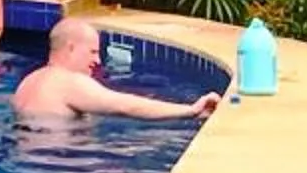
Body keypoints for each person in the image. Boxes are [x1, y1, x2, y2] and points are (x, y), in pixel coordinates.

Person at [14, 18, 221, 121]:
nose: (97, 60)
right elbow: (125, 106)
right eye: (93, 52)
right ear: (71, 48)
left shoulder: (27, 83)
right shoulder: (69, 82)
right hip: (58, 169)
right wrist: (190, 110)